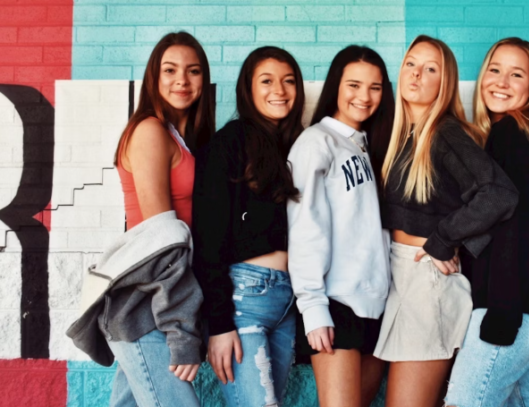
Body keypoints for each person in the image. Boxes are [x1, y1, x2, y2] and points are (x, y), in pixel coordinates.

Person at [374, 35, 518, 407]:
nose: (416, 74)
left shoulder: (446, 132)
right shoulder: (404, 134)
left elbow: (500, 194)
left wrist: (443, 237)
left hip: (426, 284)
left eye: (430, 69)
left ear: (445, 82)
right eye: (411, 64)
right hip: (398, 278)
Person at [74, 31, 214, 407]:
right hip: (143, 309)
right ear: (153, 77)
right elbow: (161, 244)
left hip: (152, 305)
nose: (182, 80)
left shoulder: (179, 138)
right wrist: (181, 332)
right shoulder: (150, 131)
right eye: (170, 70)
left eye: (193, 70)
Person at [444, 37, 529, 407]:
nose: (501, 82)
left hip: (511, 311)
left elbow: (519, 231)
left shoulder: (512, 134)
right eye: (494, 70)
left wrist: (502, 315)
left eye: (516, 75)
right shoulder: (524, 135)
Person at [193, 46, 305, 407]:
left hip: (289, 302)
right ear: (248, 88)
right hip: (244, 298)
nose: (280, 90)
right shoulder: (229, 143)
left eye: (289, 81)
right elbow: (208, 240)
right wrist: (220, 323)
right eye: (267, 81)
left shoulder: (300, 145)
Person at [287, 45, 395, 407]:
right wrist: (313, 306)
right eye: (354, 85)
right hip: (335, 304)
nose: (364, 97)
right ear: (336, 85)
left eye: (375, 87)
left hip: (377, 307)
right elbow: (305, 228)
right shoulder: (315, 142)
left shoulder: (368, 146)